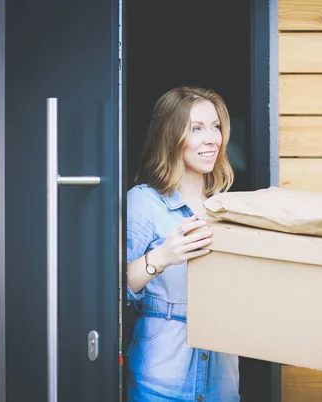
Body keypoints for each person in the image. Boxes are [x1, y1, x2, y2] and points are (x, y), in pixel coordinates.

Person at [126, 86, 239, 401]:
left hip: (223, 380)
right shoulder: (144, 202)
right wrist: (161, 257)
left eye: (215, 127)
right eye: (197, 128)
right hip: (161, 378)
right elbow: (113, 290)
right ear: (171, 136)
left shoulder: (230, 209)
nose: (212, 138)